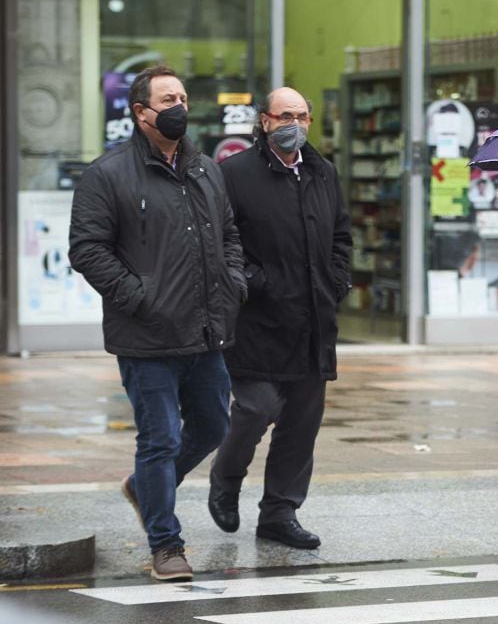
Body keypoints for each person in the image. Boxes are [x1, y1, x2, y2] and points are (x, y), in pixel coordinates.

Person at [69, 65, 246, 581]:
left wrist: (234, 283)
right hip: (146, 336)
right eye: (168, 99)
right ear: (141, 111)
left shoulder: (206, 169)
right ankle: (166, 546)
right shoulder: (108, 173)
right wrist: (139, 297)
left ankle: (144, 486)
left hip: (207, 331)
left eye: (183, 97)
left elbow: (230, 234)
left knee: (214, 426)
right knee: (161, 438)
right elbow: (87, 249)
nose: (179, 108)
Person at [207, 87, 353, 550]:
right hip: (258, 321)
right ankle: (226, 480)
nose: (295, 123)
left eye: (303, 115)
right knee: (255, 409)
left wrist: (336, 282)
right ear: (265, 121)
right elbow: (219, 244)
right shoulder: (234, 173)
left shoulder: (323, 172)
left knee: (301, 423)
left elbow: (341, 236)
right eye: (285, 115)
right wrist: (255, 282)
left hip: (313, 320)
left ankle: (279, 512)